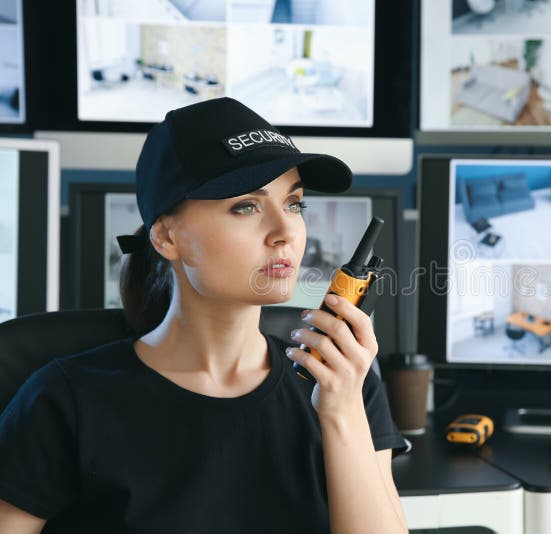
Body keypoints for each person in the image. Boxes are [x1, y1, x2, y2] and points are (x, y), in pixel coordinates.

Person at [0, 97, 409, 533]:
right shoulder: (62, 401)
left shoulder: (345, 384)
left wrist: (341, 411)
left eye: (294, 204)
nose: (286, 231)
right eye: (246, 207)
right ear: (167, 237)